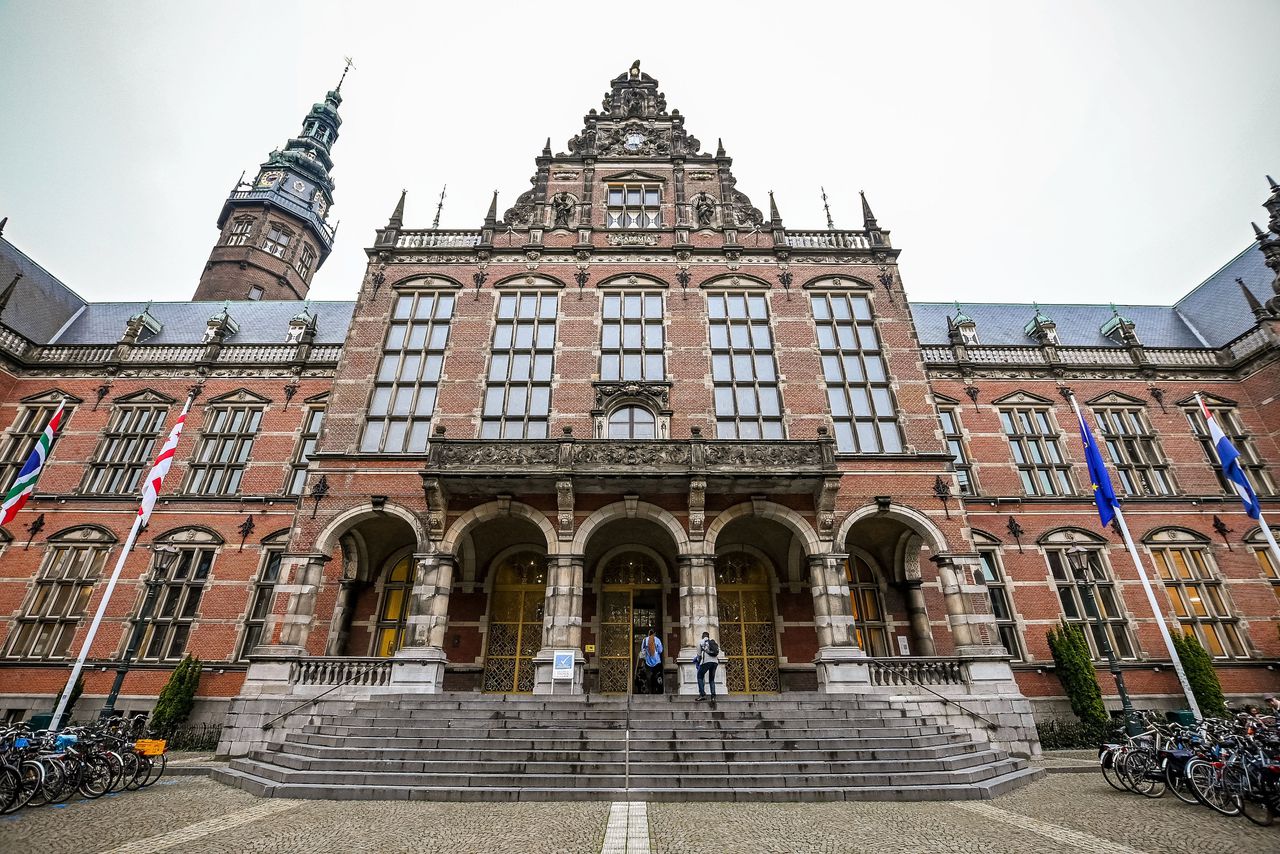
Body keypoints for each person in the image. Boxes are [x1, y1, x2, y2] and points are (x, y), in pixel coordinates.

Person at [695, 631, 719, 701]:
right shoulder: (712, 642)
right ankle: (713, 696)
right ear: (708, 636)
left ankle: (702, 694)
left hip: (706, 662)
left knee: (700, 675)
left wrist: (698, 662)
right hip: (715, 662)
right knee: (711, 679)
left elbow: (699, 655)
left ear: (702, 636)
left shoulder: (701, 642)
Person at [638, 628, 663, 694]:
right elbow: (660, 650)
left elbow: (642, 650)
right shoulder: (657, 640)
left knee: (648, 676)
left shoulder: (645, 640)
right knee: (656, 675)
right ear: (654, 633)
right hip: (657, 661)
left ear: (648, 633)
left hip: (648, 662)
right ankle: (656, 690)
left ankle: (649, 691)